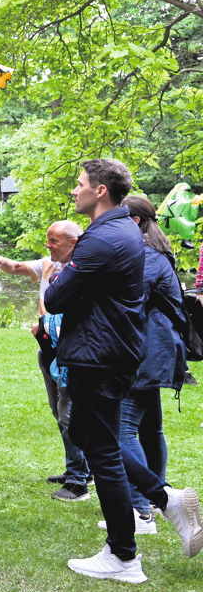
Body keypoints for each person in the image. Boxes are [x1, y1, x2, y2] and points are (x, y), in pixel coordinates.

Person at [45, 159, 202, 583]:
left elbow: (55, 298)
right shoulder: (124, 230)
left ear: (100, 190)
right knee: (92, 436)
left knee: (104, 453)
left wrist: (61, 273)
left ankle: (124, 555)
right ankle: (164, 499)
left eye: (80, 184)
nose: (74, 190)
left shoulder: (102, 239)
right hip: (111, 353)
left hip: (98, 357)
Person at [0, 221, 91, 502]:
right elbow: (17, 267)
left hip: (71, 352)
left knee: (69, 415)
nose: (48, 245)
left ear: (73, 242)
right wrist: (2, 261)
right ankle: (79, 468)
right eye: (48, 240)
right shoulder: (49, 263)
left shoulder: (82, 269)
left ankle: (78, 481)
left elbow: (62, 310)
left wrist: (49, 321)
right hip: (49, 350)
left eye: (53, 241)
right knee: (59, 412)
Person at [109, 196, 188, 533]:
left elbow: (125, 300)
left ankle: (141, 512)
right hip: (158, 351)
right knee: (151, 428)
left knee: (123, 430)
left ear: (135, 222)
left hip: (146, 353)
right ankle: (158, 499)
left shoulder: (146, 258)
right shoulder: (157, 254)